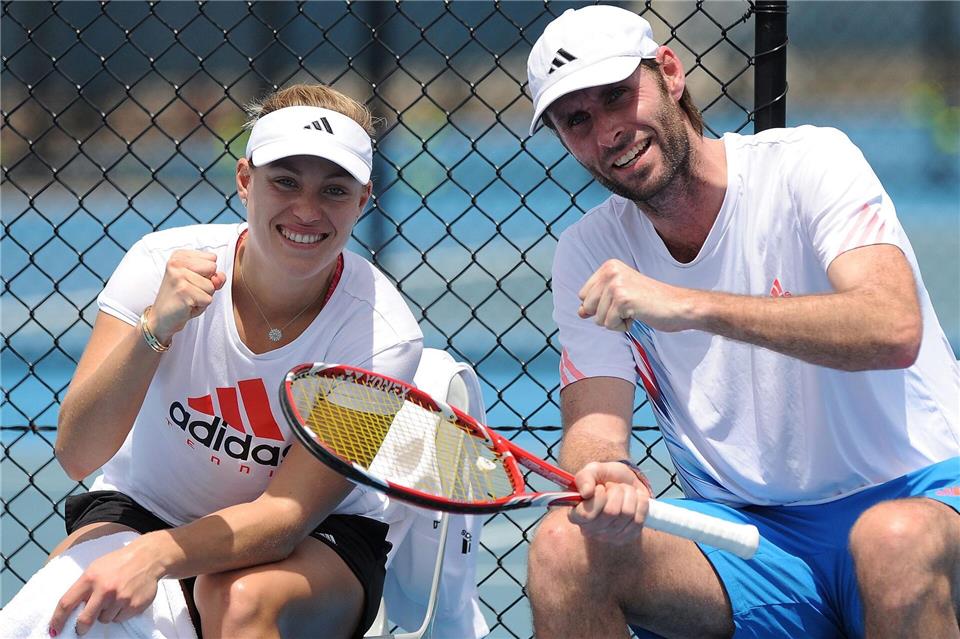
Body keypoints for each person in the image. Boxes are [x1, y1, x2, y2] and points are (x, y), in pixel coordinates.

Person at [523, 6, 960, 639]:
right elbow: (595, 430)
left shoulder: (810, 162)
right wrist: (606, 469)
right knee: (565, 549)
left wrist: (691, 304)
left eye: (618, 95)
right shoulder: (587, 252)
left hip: (922, 494)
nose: (608, 131)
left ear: (670, 73)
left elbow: (892, 328)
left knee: (891, 541)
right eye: (577, 120)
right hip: (753, 541)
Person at [48, 83, 424, 638]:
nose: (307, 211)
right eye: (285, 181)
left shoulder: (382, 337)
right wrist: (155, 329)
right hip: (143, 504)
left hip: (315, 536)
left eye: (334, 190)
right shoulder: (157, 263)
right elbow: (78, 455)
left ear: (363, 200)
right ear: (245, 180)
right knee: (63, 610)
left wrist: (153, 555)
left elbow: (285, 516)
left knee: (238, 599)